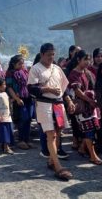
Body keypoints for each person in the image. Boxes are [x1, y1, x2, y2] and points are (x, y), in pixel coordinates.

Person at [27, 43, 73, 181]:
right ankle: (58, 166)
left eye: (53, 54)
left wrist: (68, 100)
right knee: (51, 135)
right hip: (44, 104)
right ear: (42, 54)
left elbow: (63, 87)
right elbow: (31, 88)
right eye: (48, 55)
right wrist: (48, 90)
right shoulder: (35, 69)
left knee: (58, 132)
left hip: (58, 104)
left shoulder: (57, 68)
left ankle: (51, 160)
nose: (51, 57)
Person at [67, 49, 102, 165]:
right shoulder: (74, 74)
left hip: (91, 105)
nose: (88, 62)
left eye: (89, 59)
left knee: (93, 128)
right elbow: (78, 92)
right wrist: (90, 100)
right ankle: (93, 156)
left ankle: (83, 148)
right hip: (83, 106)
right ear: (78, 60)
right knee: (89, 130)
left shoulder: (87, 72)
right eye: (85, 59)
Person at [6, 55, 34, 150]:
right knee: (23, 119)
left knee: (29, 119)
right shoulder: (10, 73)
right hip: (19, 98)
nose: (22, 65)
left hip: (28, 98)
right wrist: (16, 99)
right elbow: (9, 88)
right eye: (19, 63)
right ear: (13, 64)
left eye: (22, 63)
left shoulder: (24, 71)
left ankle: (26, 139)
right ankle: (21, 140)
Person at [0, 77, 15, 154]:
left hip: (7, 115)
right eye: (3, 84)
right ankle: (6, 147)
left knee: (8, 130)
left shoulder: (5, 93)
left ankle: (6, 146)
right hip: (1, 115)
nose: (5, 86)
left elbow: (8, 103)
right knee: (3, 131)